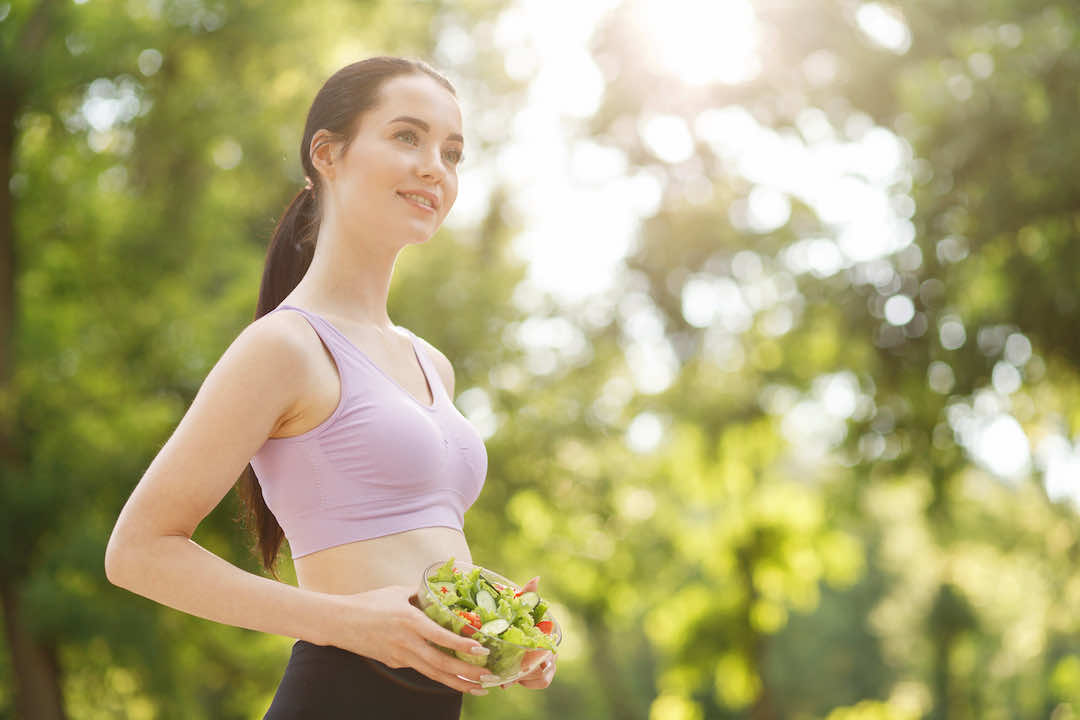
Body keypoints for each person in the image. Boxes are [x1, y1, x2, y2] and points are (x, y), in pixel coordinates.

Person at [104, 56, 556, 719]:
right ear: (328, 154)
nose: (436, 165)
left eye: (452, 152)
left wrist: (500, 628)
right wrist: (346, 622)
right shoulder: (284, 347)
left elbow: (409, 551)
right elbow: (137, 552)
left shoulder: (431, 363)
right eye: (407, 136)